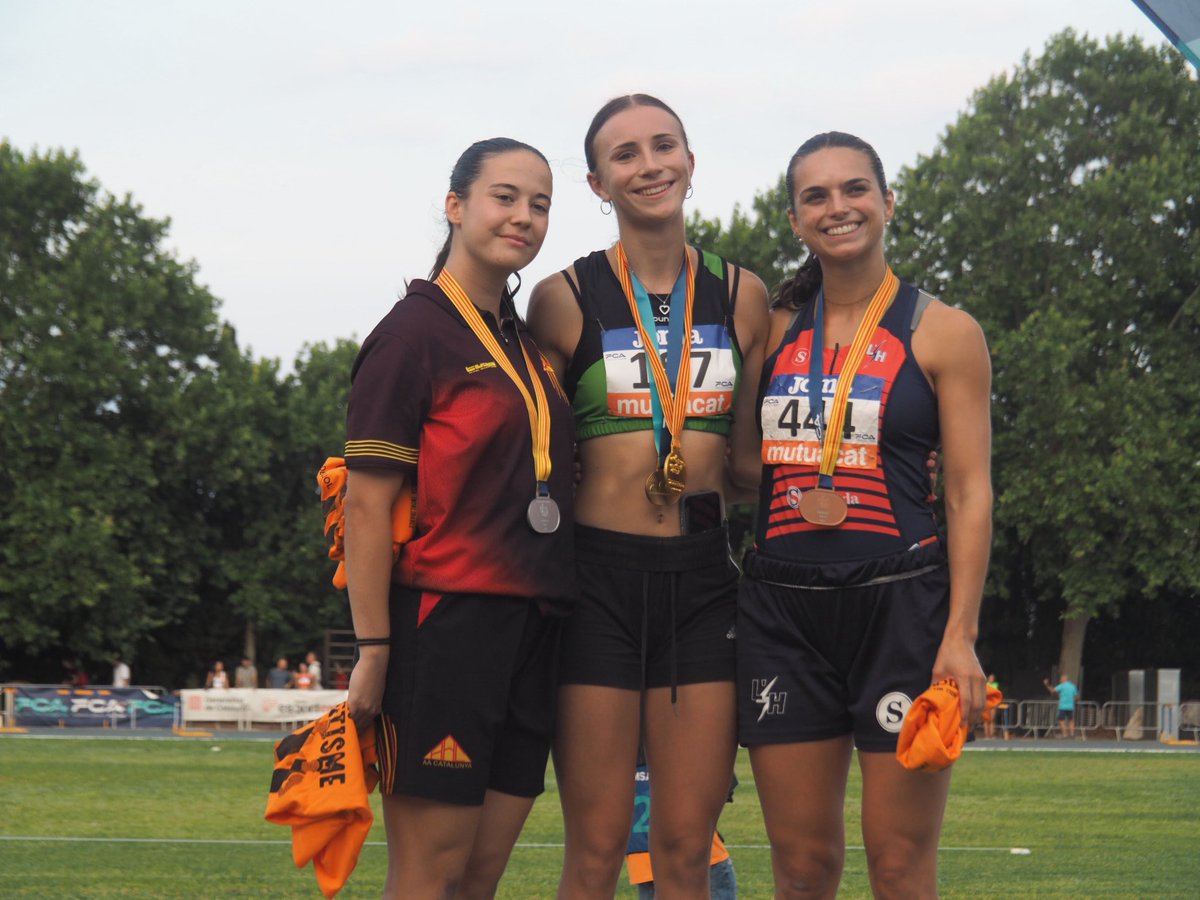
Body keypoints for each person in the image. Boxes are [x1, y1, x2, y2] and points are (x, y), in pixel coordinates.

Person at [735, 132, 993, 898]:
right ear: (794, 219)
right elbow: (743, 469)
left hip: (902, 611)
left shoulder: (946, 331)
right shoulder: (774, 331)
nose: (836, 207)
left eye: (854, 189)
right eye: (815, 195)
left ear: (887, 202)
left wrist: (961, 637)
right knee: (803, 867)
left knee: (900, 864)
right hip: (781, 611)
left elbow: (970, 491)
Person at [527, 94, 770, 898]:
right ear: (598, 182)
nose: (649, 164)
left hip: (703, 581)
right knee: (596, 849)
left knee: (683, 846)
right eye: (625, 155)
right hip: (596, 582)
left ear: (691, 162)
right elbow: (533, 454)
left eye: (664, 146)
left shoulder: (743, 296)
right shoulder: (562, 299)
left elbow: (745, 464)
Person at [342, 137, 576, 898]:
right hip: (446, 626)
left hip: (535, 626)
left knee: (479, 877)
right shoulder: (412, 334)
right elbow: (367, 501)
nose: (524, 216)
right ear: (455, 206)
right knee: (429, 876)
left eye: (540, 204)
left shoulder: (524, 341)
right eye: (505, 197)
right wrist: (374, 645)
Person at [1044, 673, 1079, 738]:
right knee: (1071, 720)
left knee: (1062, 721)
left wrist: (1047, 684)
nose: (1060, 680)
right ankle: (1072, 734)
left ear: (1064, 679)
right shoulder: (1073, 686)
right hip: (1070, 706)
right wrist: (1074, 701)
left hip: (1062, 706)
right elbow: (1077, 697)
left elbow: (1052, 690)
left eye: (1061, 679)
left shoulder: (1062, 686)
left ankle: (1064, 735)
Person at [983, 673, 1001, 738]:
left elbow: (997, 693)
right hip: (987, 704)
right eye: (991, 678)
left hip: (993, 704)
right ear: (988, 678)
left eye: (993, 678)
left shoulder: (996, 684)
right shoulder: (985, 684)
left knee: (992, 719)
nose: (992, 679)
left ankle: (992, 734)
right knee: (986, 719)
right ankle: (986, 735)